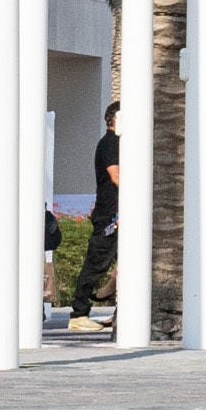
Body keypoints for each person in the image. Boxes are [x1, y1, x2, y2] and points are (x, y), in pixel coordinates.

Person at [68, 109, 125, 331]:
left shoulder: (121, 143)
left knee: (127, 262)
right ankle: (78, 314)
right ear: (115, 119)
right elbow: (116, 176)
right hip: (110, 215)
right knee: (96, 263)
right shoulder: (110, 143)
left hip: (119, 212)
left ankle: (121, 311)